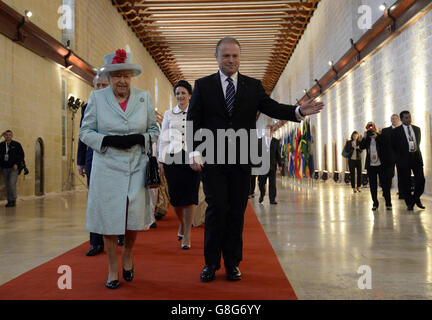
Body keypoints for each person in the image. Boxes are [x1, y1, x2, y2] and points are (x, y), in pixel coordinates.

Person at [187, 37, 324, 282]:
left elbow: (271, 107)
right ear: (217, 57)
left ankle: (232, 263)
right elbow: (193, 121)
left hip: (241, 161)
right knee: (216, 209)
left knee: (236, 212)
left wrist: (298, 111)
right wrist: (194, 152)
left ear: (240, 57)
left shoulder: (253, 86)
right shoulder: (203, 85)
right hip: (213, 160)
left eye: (235, 56)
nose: (231, 60)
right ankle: (210, 263)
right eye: (226, 56)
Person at [79, 49, 159, 289]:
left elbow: (154, 131)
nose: (122, 81)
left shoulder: (144, 97)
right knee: (109, 216)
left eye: (126, 75)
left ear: (131, 77)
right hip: (107, 165)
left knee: (133, 216)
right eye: (116, 76)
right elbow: (85, 132)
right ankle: (113, 267)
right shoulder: (97, 98)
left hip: (135, 165)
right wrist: (107, 141)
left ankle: (128, 253)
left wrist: (139, 138)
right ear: (110, 77)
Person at [77, 74, 125, 257]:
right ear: (93, 86)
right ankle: (96, 242)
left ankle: (119, 232)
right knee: (95, 201)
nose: (101, 88)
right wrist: (80, 160)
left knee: (117, 198)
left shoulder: (120, 107)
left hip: (116, 159)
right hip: (93, 159)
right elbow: (83, 134)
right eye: (98, 85)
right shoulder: (87, 107)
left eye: (104, 85)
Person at [158, 80, 200, 250]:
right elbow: (163, 138)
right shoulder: (169, 113)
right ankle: (181, 222)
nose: (180, 96)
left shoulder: (197, 112)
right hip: (172, 158)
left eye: (183, 93)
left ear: (189, 95)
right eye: (177, 93)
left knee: (190, 196)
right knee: (175, 199)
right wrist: (160, 160)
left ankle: (187, 233)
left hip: (192, 157)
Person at [391, 111, 425, 211]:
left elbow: (417, 143)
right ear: (401, 119)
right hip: (403, 160)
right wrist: (398, 160)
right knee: (406, 183)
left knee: (421, 181)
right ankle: (409, 203)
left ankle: (416, 198)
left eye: (409, 117)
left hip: (416, 158)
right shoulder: (396, 131)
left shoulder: (417, 129)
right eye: (406, 118)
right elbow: (393, 147)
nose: (408, 119)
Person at [359, 122, 392, 211]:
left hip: (381, 164)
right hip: (371, 165)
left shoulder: (381, 136)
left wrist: (377, 137)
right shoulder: (367, 139)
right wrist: (364, 137)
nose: (371, 130)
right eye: (369, 128)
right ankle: (375, 203)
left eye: (372, 127)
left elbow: (386, 145)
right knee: (373, 185)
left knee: (385, 184)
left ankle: (388, 203)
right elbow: (361, 147)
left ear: (375, 128)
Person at [258, 125, 282, 204]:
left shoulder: (276, 141)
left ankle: (272, 199)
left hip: (272, 166)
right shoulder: (259, 141)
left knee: (272, 184)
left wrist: (280, 165)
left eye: (268, 130)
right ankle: (262, 194)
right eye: (266, 130)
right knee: (261, 183)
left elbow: (278, 154)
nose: (266, 132)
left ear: (272, 131)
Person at [0, 130, 25, 207]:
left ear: (12, 136)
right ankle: (9, 200)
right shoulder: (1, 145)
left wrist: (17, 164)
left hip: (14, 168)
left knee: (11, 183)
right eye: (6, 135)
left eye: (10, 135)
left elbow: (21, 155)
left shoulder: (17, 144)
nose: (8, 136)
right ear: (4, 136)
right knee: (7, 185)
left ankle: (13, 199)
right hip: (4, 168)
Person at [381, 114, 403, 199]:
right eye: (393, 119)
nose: (394, 120)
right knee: (389, 175)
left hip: (400, 156)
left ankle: (401, 193)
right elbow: (382, 144)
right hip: (389, 157)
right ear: (391, 120)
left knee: (401, 175)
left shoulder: (402, 130)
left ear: (399, 120)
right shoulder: (385, 131)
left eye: (396, 119)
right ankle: (386, 192)